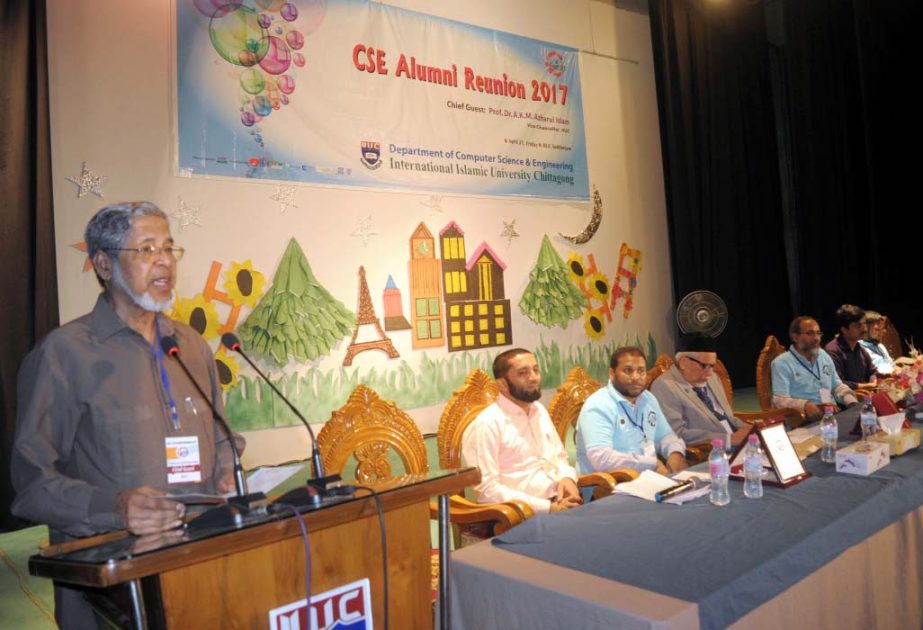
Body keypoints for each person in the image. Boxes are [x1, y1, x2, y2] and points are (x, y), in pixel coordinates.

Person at [10, 202, 239, 627]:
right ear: (103, 263)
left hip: (201, 574)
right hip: (112, 597)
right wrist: (115, 508)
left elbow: (223, 438)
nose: (164, 261)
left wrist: (227, 473)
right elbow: (31, 483)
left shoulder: (190, 345)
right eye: (147, 249)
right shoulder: (63, 355)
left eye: (169, 248)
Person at [461, 348, 582, 514]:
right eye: (523, 373)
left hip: (560, 503)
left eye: (536, 370)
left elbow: (559, 456)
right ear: (502, 384)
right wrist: (547, 508)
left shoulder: (538, 410)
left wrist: (567, 478)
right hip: (516, 516)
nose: (533, 378)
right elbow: (486, 491)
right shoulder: (488, 424)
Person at [576, 347, 687, 475]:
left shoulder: (648, 399)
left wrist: (675, 452)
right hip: (609, 487)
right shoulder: (598, 405)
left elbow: (665, 435)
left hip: (650, 479)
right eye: (628, 371)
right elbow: (601, 458)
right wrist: (650, 464)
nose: (635, 377)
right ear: (612, 374)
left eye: (641, 371)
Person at [650, 337, 749, 448]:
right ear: (684, 362)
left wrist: (747, 428)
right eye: (704, 366)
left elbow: (726, 417)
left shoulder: (713, 378)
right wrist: (729, 440)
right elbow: (676, 433)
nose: (710, 373)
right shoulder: (665, 386)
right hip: (709, 452)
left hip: (738, 443)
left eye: (712, 366)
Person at [771, 315, 858, 423]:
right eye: (810, 333)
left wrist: (851, 402)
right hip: (803, 422)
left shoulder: (824, 356)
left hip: (832, 417)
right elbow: (779, 400)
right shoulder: (781, 363)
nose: (816, 338)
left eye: (818, 333)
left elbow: (837, 386)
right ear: (795, 337)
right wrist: (804, 405)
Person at [824, 304, 877, 389]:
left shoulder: (860, 349)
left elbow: (872, 372)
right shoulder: (832, 351)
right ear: (844, 330)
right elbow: (837, 383)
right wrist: (868, 386)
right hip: (845, 400)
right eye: (858, 325)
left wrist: (873, 381)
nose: (865, 329)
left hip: (865, 397)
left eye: (864, 324)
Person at [859, 311, 899, 376]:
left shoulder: (880, 345)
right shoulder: (859, 348)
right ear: (865, 329)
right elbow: (879, 370)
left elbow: (892, 365)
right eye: (877, 329)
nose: (881, 332)